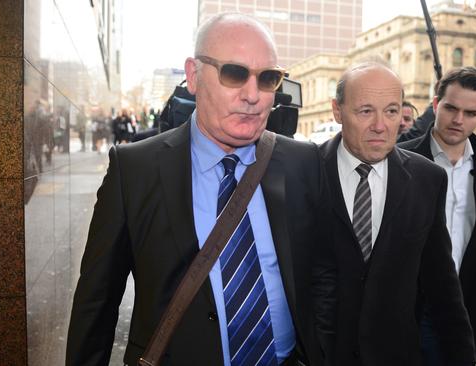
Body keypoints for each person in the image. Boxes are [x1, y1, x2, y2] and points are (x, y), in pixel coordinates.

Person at [66, 13, 335, 366]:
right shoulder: (135, 170)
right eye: (234, 73)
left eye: (268, 78)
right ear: (193, 76)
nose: (252, 95)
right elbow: (96, 304)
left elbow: (324, 275)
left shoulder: (303, 162)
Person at [319, 61, 475, 365]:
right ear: (337, 110)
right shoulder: (303, 171)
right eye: (365, 111)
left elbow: (442, 285)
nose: (381, 125)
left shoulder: (427, 179)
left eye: (391, 111)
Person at [399, 67, 476, 364]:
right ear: (436, 105)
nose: (458, 120)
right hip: (416, 305)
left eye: (471, 113)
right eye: (451, 108)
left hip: (466, 300)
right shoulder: (402, 159)